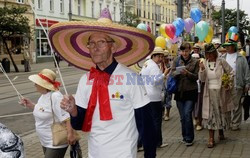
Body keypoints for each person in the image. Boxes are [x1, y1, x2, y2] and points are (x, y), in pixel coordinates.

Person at [52, 8, 157, 158]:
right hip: (94, 154)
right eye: (91, 43)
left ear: (113, 47)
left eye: (101, 42)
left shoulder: (131, 78)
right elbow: (79, 124)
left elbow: (146, 123)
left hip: (123, 154)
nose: (95, 48)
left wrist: (150, 155)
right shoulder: (85, 80)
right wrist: (73, 110)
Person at [19, 69, 77, 158]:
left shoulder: (55, 96)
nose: (34, 85)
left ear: (44, 85)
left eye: (37, 83)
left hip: (55, 140)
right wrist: (31, 105)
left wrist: (70, 134)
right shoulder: (44, 95)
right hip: (45, 140)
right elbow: (44, 110)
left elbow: (66, 117)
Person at [199, 43, 234, 148]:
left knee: (220, 112)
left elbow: (231, 72)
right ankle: (211, 138)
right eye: (207, 54)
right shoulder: (204, 63)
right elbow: (201, 79)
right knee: (211, 114)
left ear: (214, 52)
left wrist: (228, 82)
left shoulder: (221, 61)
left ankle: (220, 131)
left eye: (210, 53)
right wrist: (202, 69)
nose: (209, 56)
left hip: (220, 92)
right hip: (209, 93)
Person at [140, 47, 170, 148]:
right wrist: (164, 74)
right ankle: (157, 142)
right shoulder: (153, 67)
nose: (161, 58)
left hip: (147, 95)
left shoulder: (147, 63)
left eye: (162, 56)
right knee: (156, 121)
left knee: (147, 121)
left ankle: (140, 143)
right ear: (154, 56)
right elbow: (155, 81)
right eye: (159, 56)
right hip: (154, 97)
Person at [171, 42, 199, 146]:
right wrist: (178, 73)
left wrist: (187, 73)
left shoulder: (195, 61)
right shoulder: (176, 60)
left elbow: (196, 77)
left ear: (190, 50)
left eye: (186, 51)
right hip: (179, 91)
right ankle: (184, 136)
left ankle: (189, 138)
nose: (184, 53)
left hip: (191, 91)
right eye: (182, 51)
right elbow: (172, 73)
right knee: (183, 117)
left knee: (187, 114)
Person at [222, 39, 250, 131]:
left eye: (228, 46)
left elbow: (246, 71)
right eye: (226, 46)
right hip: (225, 85)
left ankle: (236, 123)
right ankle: (227, 122)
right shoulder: (223, 57)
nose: (227, 47)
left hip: (237, 84)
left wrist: (247, 84)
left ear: (233, 46)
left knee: (237, 105)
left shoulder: (241, 58)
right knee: (226, 105)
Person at [162, 50, 172, 121]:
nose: (166, 58)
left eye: (166, 57)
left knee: (168, 98)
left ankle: (167, 114)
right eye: (164, 57)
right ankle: (162, 113)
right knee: (162, 99)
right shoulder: (160, 65)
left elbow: (172, 73)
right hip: (161, 84)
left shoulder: (170, 64)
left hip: (168, 84)